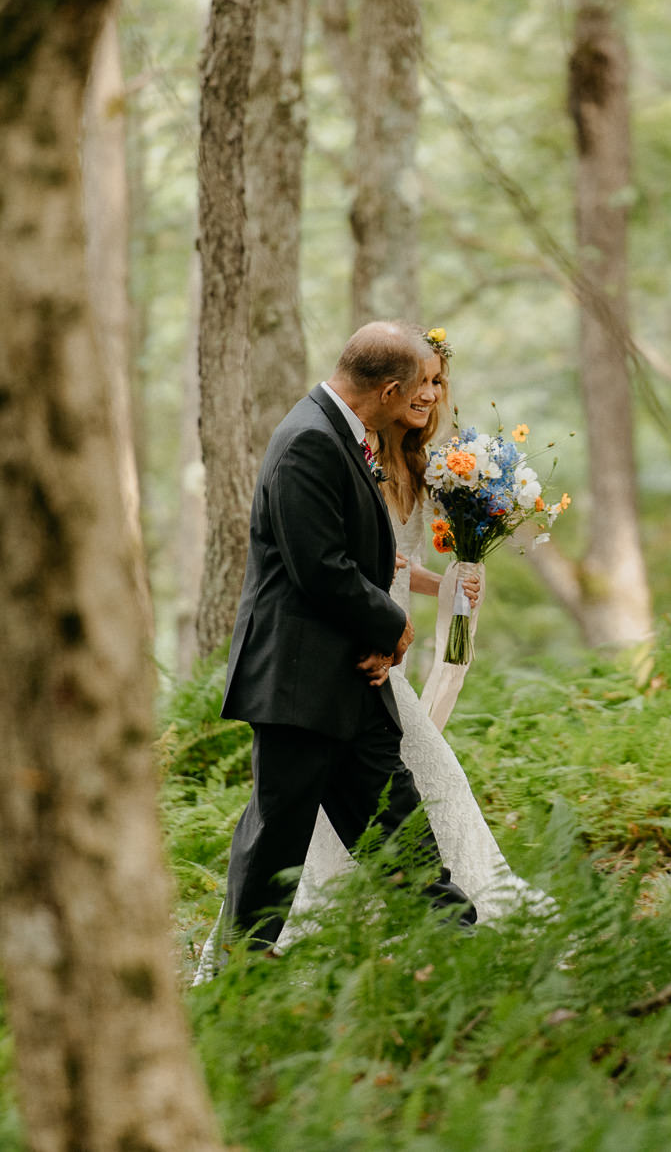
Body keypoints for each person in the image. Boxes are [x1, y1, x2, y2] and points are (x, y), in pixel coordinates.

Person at [211, 322, 476, 958]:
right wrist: (395, 624)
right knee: (277, 836)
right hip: (299, 684)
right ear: (388, 390)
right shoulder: (308, 441)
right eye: (420, 387)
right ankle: (239, 976)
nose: (430, 399)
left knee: (394, 819)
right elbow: (319, 566)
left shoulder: (337, 433)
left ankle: (461, 951)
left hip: (345, 681)